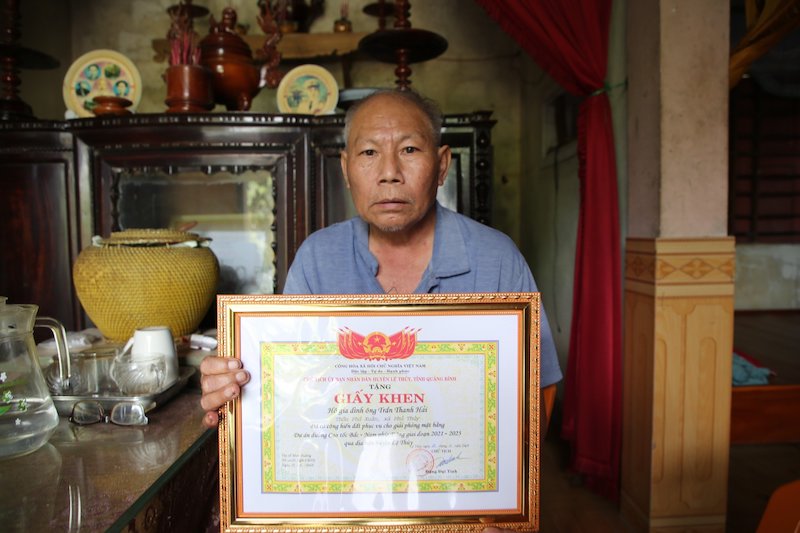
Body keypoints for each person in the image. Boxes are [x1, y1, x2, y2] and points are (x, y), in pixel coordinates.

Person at [200, 89, 562, 429]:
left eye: (409, 150)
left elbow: (539, 390)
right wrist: (237, 385)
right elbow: (291, 385)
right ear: (345, 168)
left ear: (441, 165)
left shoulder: (496, 259)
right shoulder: (318, 259)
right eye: (369, 153)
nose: (390, 173)